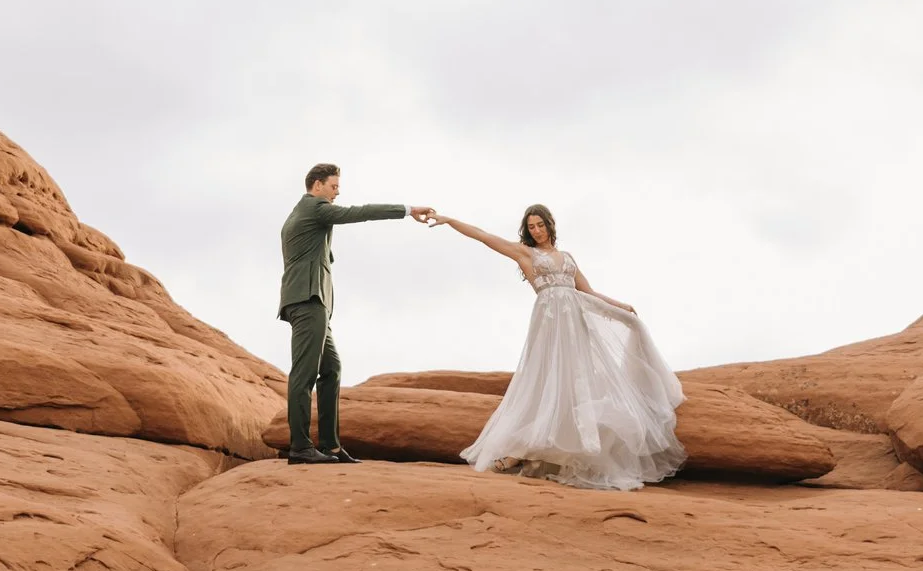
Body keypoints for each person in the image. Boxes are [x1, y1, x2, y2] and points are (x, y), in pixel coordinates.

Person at [424, 203, 684, 490]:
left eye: (540, 225)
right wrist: (449, 220)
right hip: (549, 324)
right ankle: (518, 451)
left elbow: (588, 292)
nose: (536, 231)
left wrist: (619, 305)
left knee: (576, 383)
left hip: (574, 324)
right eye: (531, 227)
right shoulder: (525, 253)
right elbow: (484, 236)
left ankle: (564, 450)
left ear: (550, 225)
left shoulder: (568, 257)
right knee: (546, 383)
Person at [278, 163, 433, 465]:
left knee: (331, 368)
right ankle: (300, 447)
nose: (337, 192)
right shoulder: (314, 208)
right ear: (318, 185)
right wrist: (407, 210)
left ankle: (330, 446)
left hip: (313, 301)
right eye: (334, 186)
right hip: (308, 299)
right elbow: (359, 213)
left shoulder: (301, 212)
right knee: (304, 374)